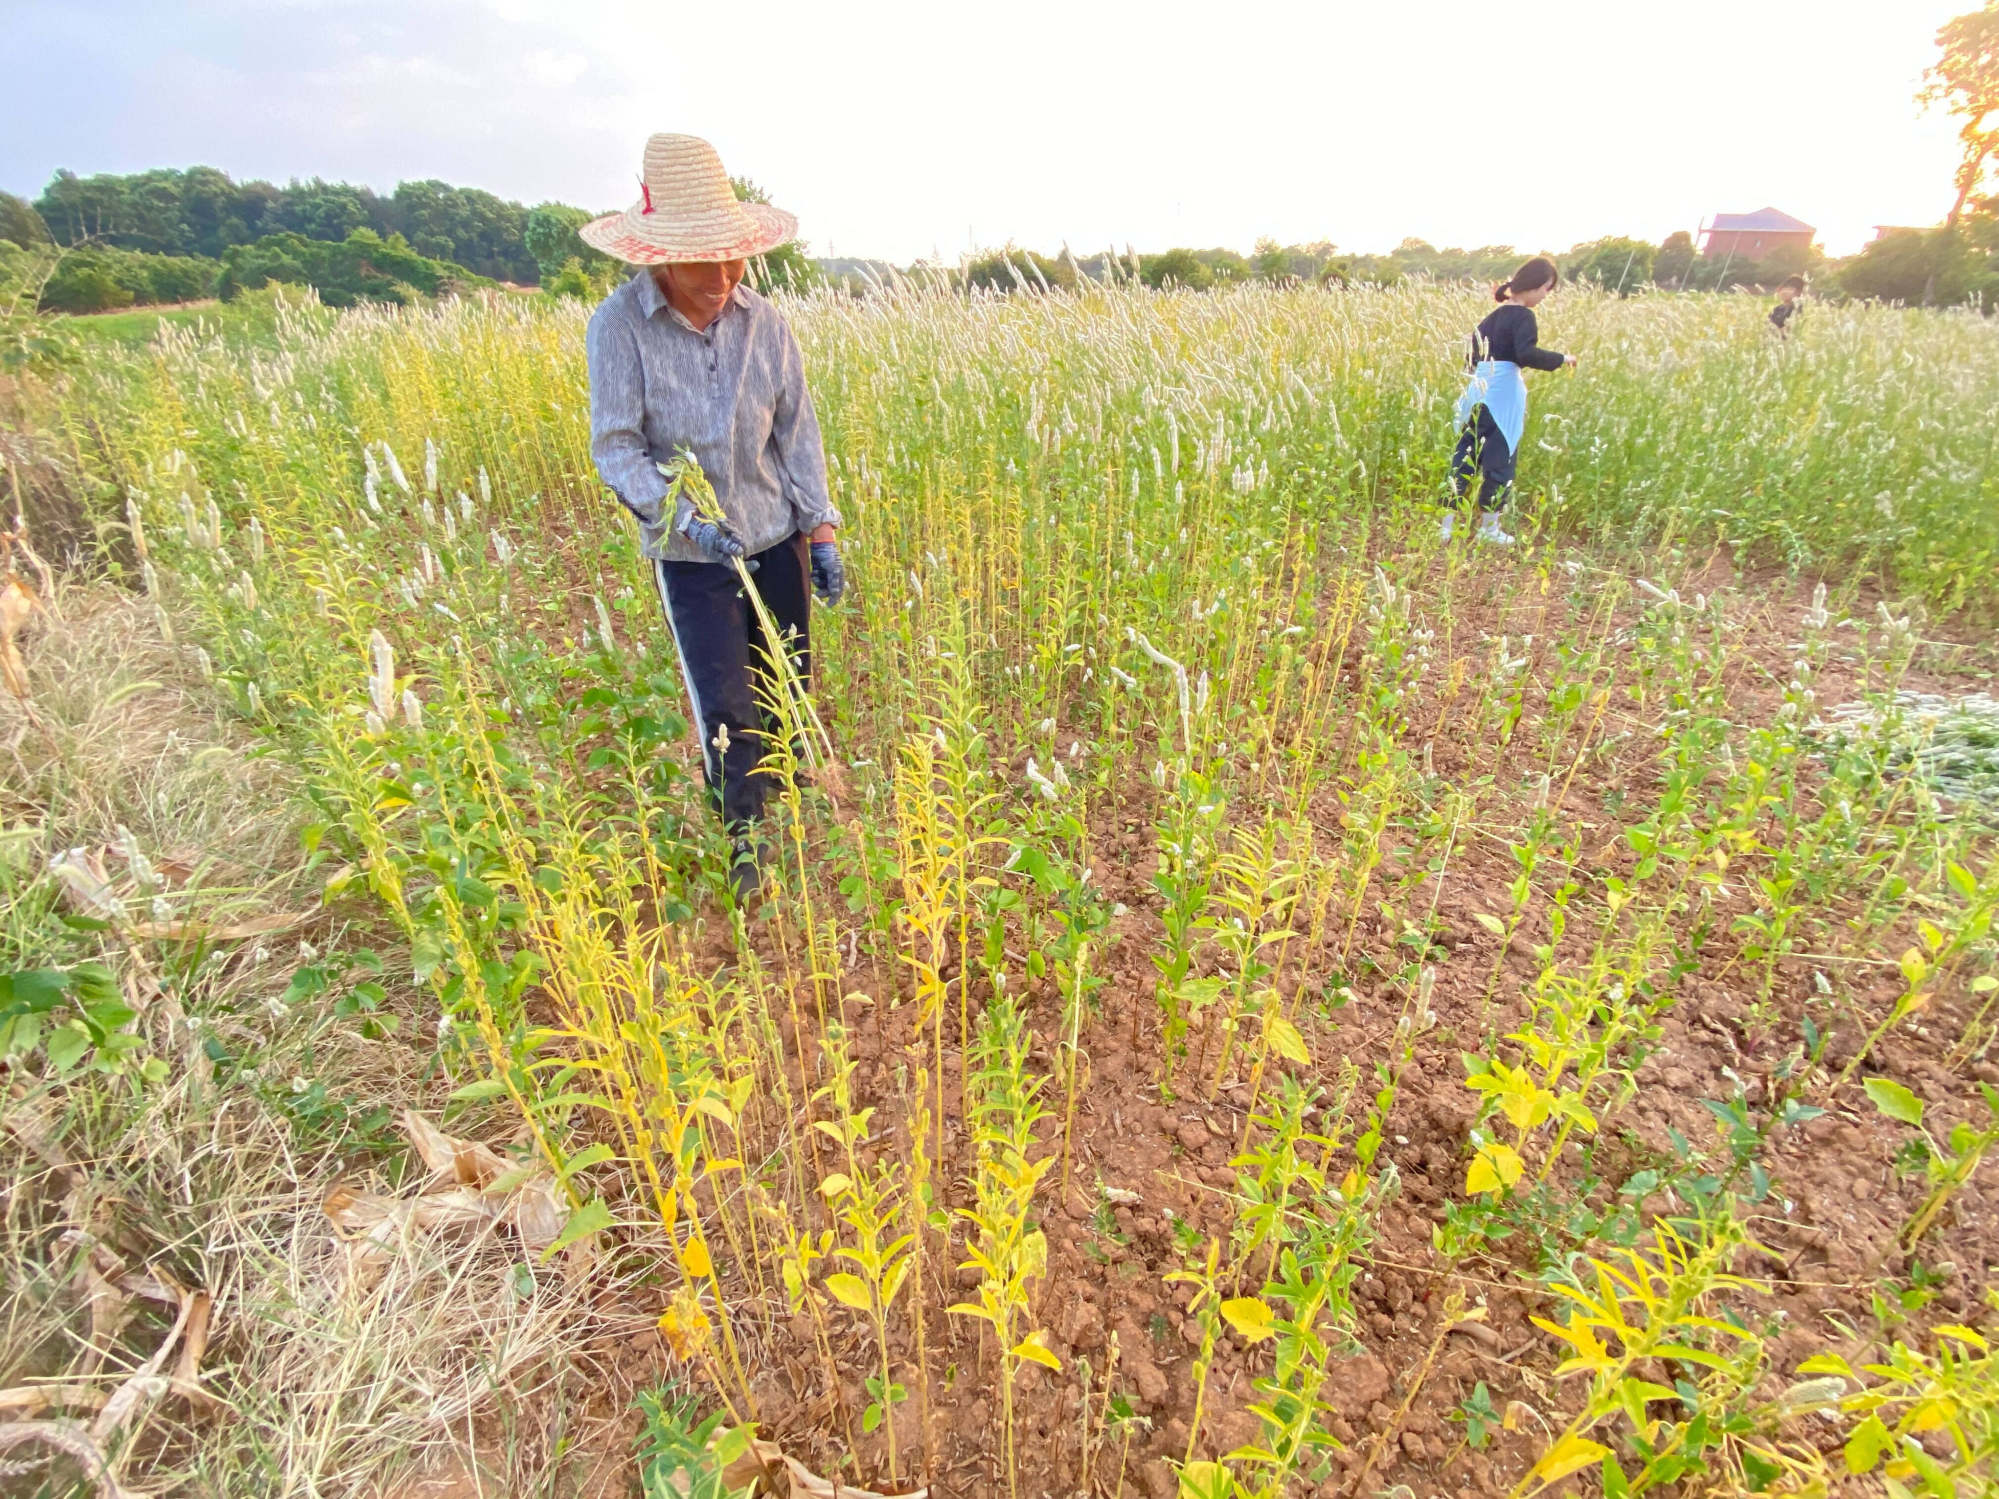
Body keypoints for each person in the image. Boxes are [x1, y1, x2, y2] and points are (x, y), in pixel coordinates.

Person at [583, 133, 845, 903]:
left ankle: (792, 803)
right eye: (703, 262)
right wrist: (688, 520)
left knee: (785, 680)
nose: (722, 278)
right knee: (725, 703)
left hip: (775, 536)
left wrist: (820, 529)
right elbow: (617, 448)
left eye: (733, 260)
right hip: (692, 558)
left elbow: (796, 427)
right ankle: (745, 843)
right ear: (658, 256)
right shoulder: (619, 327)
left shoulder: (765, 322)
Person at [1446, 256, 1578, 545]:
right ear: (1534, 286)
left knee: (1464, 457)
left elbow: (1470, 357)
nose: (1545, 296)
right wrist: (1562, 359)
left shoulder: (1490, 318)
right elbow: (1526, 353)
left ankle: (1446, 526)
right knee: (1500, 459)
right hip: (1503, 396)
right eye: (1547, 289)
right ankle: (1489, 529)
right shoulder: (1523, 317)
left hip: (1476, 392)